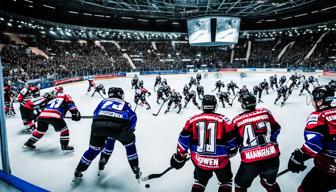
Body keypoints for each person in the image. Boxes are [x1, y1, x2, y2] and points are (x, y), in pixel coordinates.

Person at [170, 95, 237, 192]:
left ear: (202, 106)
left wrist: (180, 156)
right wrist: (232, 150)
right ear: (215, 106)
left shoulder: (192, 120)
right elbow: (233, 141)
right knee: (226, 181)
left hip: (200, 160)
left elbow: (183, 140)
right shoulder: (224, 119)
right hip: (220, 161)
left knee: (200, 181)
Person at [73, 87, 140, 182]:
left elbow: (95, 113)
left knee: (93, 150)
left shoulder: (103, 102)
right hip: (120, 125)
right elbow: (133, 117)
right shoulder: (124, 104)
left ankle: (79, 170)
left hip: (98, 125)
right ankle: (135, 168)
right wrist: (131, 129)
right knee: (130, 145)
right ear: (120, 95)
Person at [287, 86, 336, 192]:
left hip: (329, 171)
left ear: (320, 102)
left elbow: (314, 144)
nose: (312, 102)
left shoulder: (318, 116)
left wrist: (299, 157)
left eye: (313, 99)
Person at [232, 94, 281, 192]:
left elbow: (234, 142)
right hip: (273, 159)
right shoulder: (265, 112)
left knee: (240, 185)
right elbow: (276, 129)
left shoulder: (236, 120)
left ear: (242, 105)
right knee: (269, 183)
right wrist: (269, 141)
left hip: (251, 162)